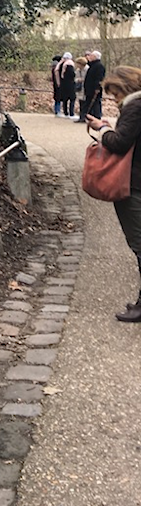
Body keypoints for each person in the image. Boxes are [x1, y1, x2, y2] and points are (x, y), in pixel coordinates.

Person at [87, 66, 141, 322]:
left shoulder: (135, 106)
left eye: (115, 93)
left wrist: (102, 129)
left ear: (125, 87)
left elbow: (119, 144)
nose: (114, 99)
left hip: (134, 184)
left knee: (139, 245)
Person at [59, 51, 76, 119]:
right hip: (70, 84)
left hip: (63, 84)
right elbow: (72, 74)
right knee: (72, 99)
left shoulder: (61, 65)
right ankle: (71, 113)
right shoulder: (69, 65)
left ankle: (65, 112)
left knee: (65, 99)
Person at [74, 56, 88, 121]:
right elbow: (75, 78)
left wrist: (83, 80)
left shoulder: (87, 69)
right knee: (81, 102)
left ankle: (85, 117)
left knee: (85, 103)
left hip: (85, 88)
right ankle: (81, 116)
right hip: (80, 88)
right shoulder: (78, 70)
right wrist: (78, 80)